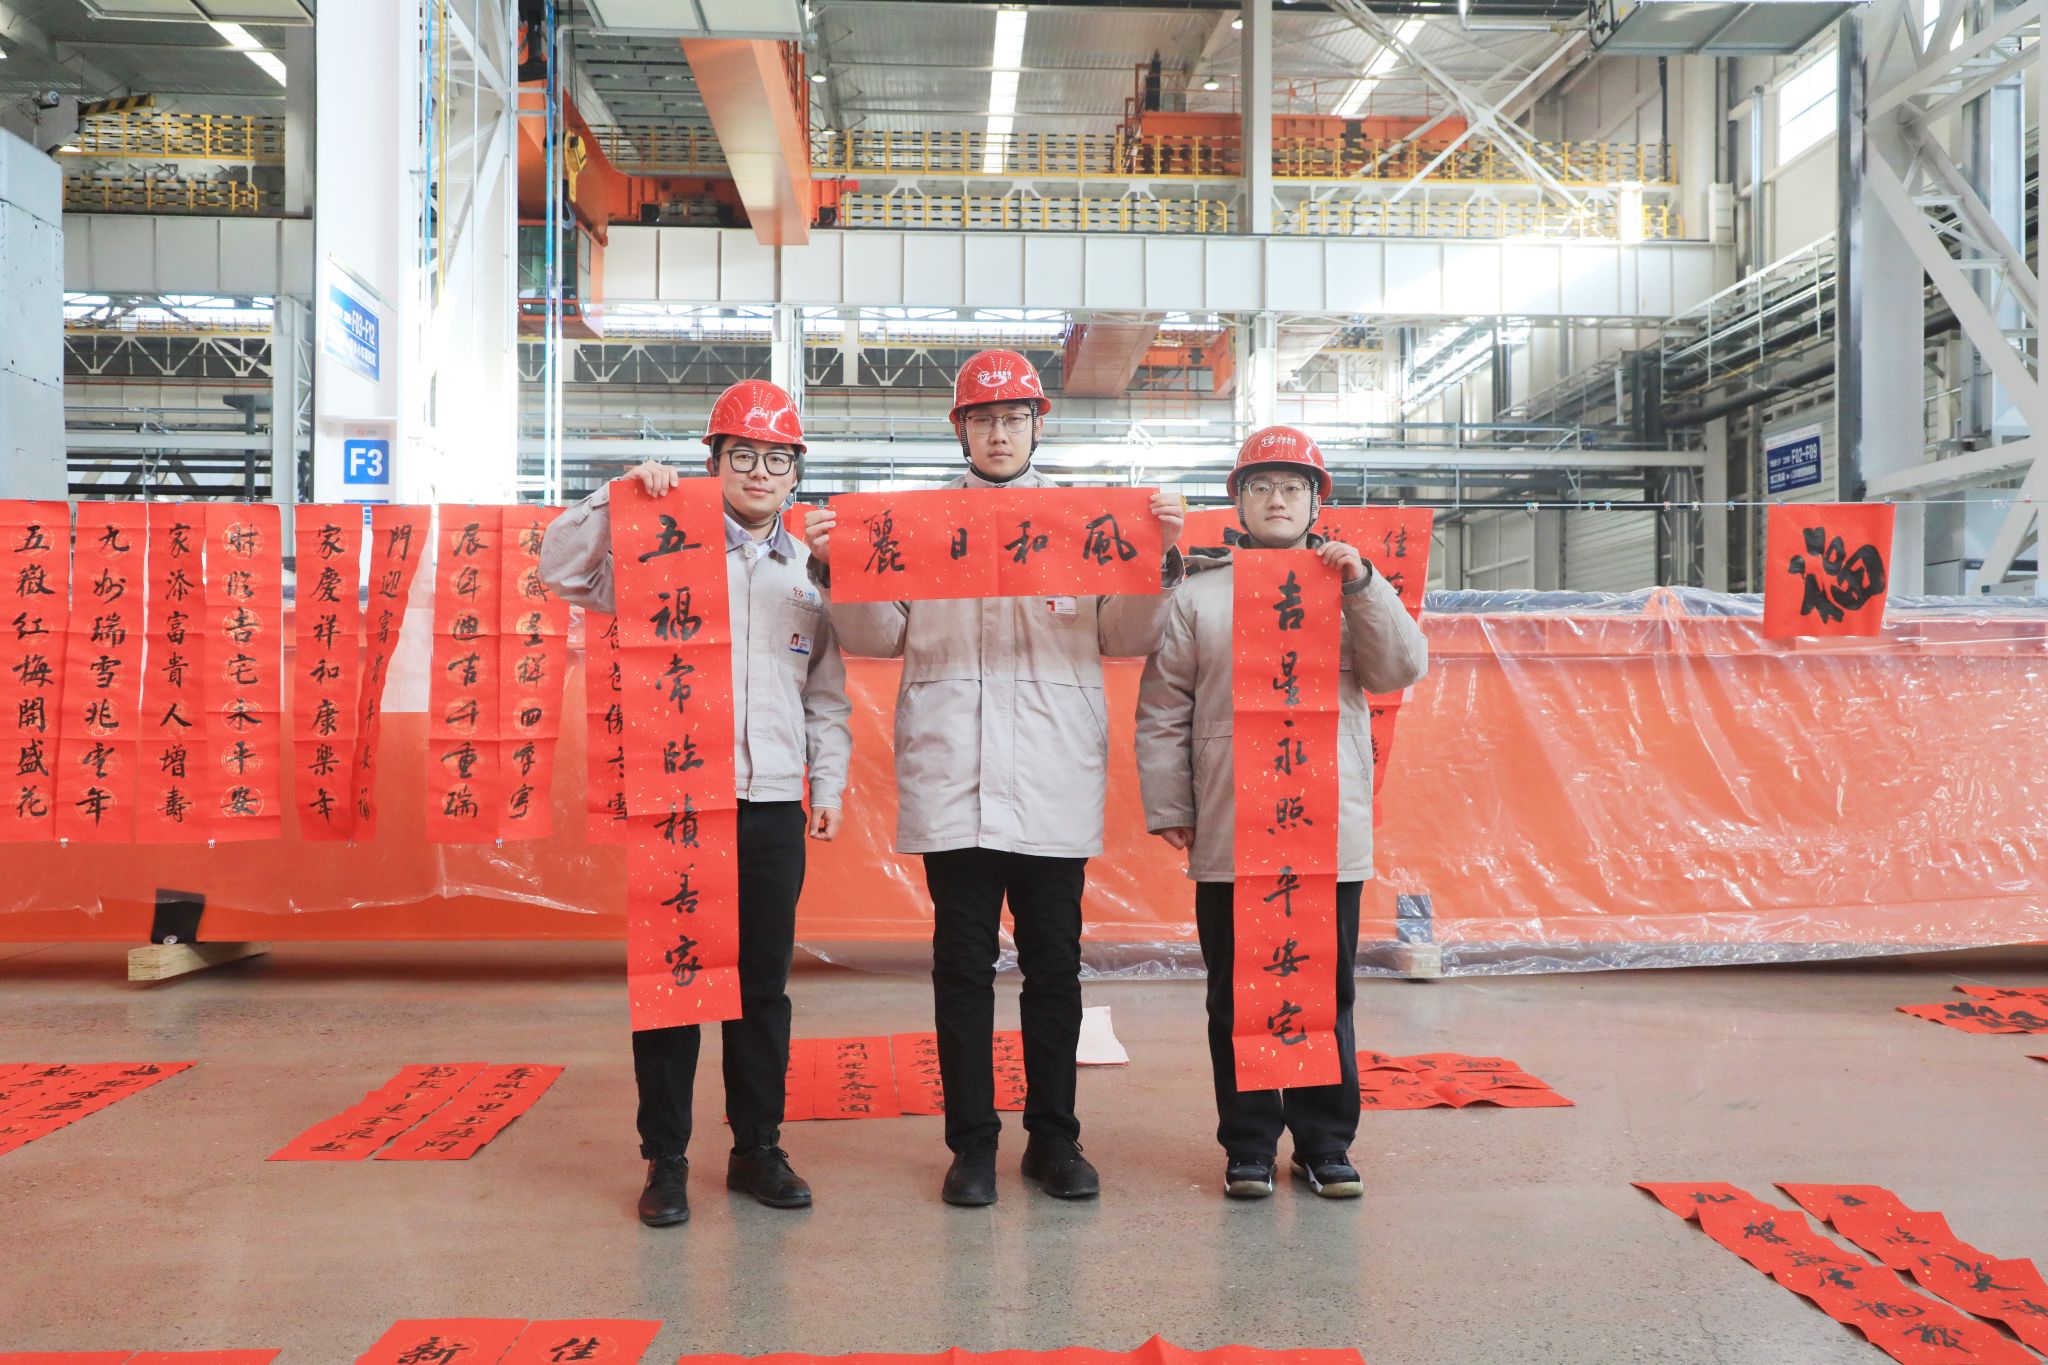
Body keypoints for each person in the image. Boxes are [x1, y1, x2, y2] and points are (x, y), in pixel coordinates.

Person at [803, 349, 1185, 1207]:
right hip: (955, 773)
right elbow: (877, 637)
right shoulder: (916, 525)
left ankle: (1055, 1139)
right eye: (983, 420)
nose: (999, 433)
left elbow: (1126, 634)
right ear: (961, 431)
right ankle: (972, 1145)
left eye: (1013, 418)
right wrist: (836, 568)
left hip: (1052, 773)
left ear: (1037, 426)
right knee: (962, 968)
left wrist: (1159, 557)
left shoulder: (1088, 522)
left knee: (1055, 968)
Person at [539, 379, 852, 1227]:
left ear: (796, 474)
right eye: (743, 454)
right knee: (673, 983)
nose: (760, 471)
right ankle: (666, 1160)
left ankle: (757, 1148)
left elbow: (825, 693)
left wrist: (826, 782)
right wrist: (617, 496)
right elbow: (560, 569)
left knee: (762, 987)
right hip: (678, 797)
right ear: (714, 462)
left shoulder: (810, 570)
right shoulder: (660, 546)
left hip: (773, 801)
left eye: (777, 459)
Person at [1133, 425, 1428, 1201]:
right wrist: (1170, 802)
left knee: (1324, 989)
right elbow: (1163, 706)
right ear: (1237, 501)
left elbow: (1401, 667)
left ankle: (1326, 1144)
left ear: (1315, 503)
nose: (1276, 499)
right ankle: (1250, 1145)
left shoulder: (1348, 583)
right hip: (1234, 821)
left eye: (1292, 487)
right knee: (1237, 992)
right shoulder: (1199, 594)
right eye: (1260, 486)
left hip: (1325, 828)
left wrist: (1363, 586)